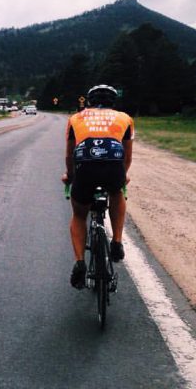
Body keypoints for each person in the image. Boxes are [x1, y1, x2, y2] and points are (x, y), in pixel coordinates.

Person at [62, 84, 133, 289]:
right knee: (117, 193)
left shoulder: (76, 118)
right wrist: (123, 176)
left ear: (90, 101)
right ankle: (117, 242)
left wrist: (70, 176)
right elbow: (127, 157)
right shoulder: (125, 118)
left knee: (78, 215)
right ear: (114, 102)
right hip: (113, 168)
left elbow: (69, 155)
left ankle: (79, 263)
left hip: (85, 168)